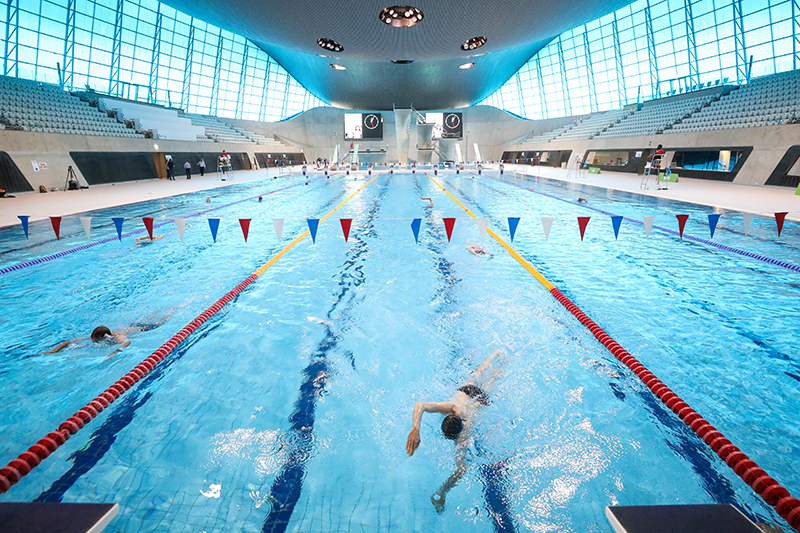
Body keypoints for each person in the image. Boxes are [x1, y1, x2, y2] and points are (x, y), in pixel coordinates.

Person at [406, 350, 505, 513]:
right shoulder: (452, 408)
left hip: (478, 400)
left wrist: (442, 492)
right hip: (467, 391)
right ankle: (496, 354)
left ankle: (503, 361)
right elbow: (420, 405)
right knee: (480, 372)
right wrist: (415, 428)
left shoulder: (461, 433)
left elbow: (461, 470)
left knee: (492, 380)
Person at [42, 320, 167, 358]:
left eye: (94, 339)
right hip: (131, 326)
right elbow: (68, 342)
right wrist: (54, 351)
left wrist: (116, 351)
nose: (92, 340)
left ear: (103, 338)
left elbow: (127, 341)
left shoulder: (116, 338)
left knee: (160, 322)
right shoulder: (96, 336)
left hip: (143, 329)